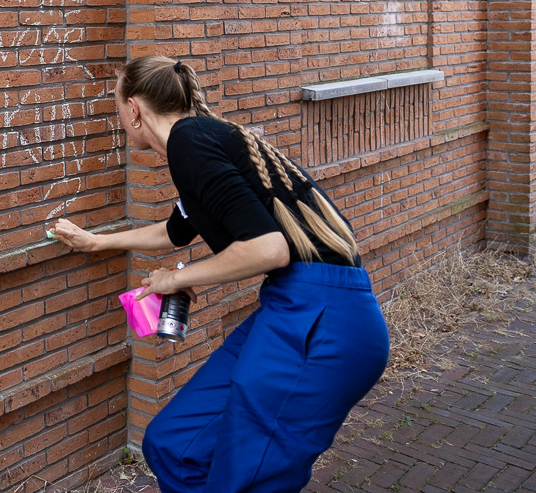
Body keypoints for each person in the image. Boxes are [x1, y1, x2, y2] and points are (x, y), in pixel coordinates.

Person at [50, 56, 389, 493]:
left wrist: (176, 279)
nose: (118, 118)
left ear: (134, 108)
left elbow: (269, 248)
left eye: (117, 106)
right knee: (174, 445)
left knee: (242, 479)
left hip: (322, 323)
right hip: (293, 309)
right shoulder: (200, 144)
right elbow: (175, 232)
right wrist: (97, 242)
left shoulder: (189, 144)